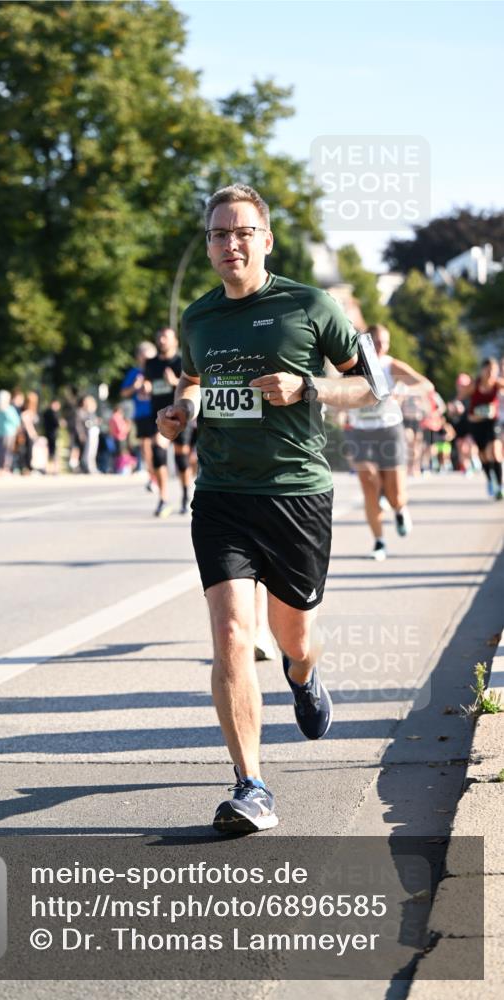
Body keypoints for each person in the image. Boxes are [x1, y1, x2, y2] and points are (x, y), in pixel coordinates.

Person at [157, 183, 383, 834]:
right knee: (230, 634)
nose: (229, 244)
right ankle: (250, 784)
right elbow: (193, 382)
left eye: (241, 232)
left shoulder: (310, 306)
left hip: (295, 495)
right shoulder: (199, 318)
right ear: (208, 247)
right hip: (222, 495)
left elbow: (373, 385)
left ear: (265, 240)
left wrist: (307, 385)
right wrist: (179, 415)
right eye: (217, 234)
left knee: (295, 638)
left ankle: (304, 675)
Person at [343, 324, 433, 561]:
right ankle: (379, 541)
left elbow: (426, 385)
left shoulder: (390, 366)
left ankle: (400, 509)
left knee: (395, 494)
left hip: (389, 431)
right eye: (377, 341)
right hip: (361, 432)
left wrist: (402, 392)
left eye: (386, 342)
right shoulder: (351, 364)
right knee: (369, 486)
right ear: (367, 342)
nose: (382, 346)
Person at [145, 327, 193, 517]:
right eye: (159, 337)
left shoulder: (182, 362)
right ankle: (163, 499)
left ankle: (185, 494)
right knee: (158, 449)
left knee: (182, 458)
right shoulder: (151, 363)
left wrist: (174, 382)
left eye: (165, 337)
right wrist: (145, 387)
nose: (161, 340)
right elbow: (150, 382)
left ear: (175, 341)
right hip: (159, 415)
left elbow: (191, 385)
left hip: (180, 414)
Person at [120, 342, 157, 490]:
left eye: (148, 356)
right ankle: (152, 476)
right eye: (142, 356)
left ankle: (160, 473)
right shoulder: (134, 373)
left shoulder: (158, 371)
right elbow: (123, 393)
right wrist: (134, 387)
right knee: (146, 447)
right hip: (142, 414)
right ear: (138, 357)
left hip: (158, 412)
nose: (145, 360)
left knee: (158, 446)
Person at [467, 357, 504, 500]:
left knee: (495, 451)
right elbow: (461, 396)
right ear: (482, 370)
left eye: (493, 371)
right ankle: (490, 480)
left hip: (492, 422)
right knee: (483, 455)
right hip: (476, 424)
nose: (490, 374)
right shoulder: (475, 384)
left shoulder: (497, 384)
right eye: (488, 370)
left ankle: (500, 485)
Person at [0, 390, 20, 475]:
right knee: (7, 452)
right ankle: (5, 469)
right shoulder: (9, 409)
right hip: (9, 433)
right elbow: (16, 421)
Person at [19, 391, 40, 474]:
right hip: (28, 435)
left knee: (30, 451)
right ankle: (27, 468)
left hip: (31, 434)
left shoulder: (33, 411)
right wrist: (33, 434)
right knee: (28, 451)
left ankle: (29, 467)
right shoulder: (26, 412)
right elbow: (28, 425)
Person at [42, 399, 61, 475]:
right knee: (52, 452)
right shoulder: (52, 413)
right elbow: (56, 423)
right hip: (52, 434)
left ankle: (49, 468)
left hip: (48, 433)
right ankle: (52, 469)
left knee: (50, 452)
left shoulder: (46, 412)